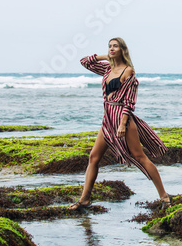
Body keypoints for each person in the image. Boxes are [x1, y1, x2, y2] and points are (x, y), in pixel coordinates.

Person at [68, 37, 172, 210]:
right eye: (109, 46)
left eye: (115, 46)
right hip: (107, 118)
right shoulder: (108, 69)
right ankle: (84, 199)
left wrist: (123, 124)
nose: (111, 48)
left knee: (140, 157)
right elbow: (84, 62)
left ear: (123, 49)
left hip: (122, 118)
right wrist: (105, 56)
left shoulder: (128, 71)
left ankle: (164, 196)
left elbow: (129, 102)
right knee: (94, 157)